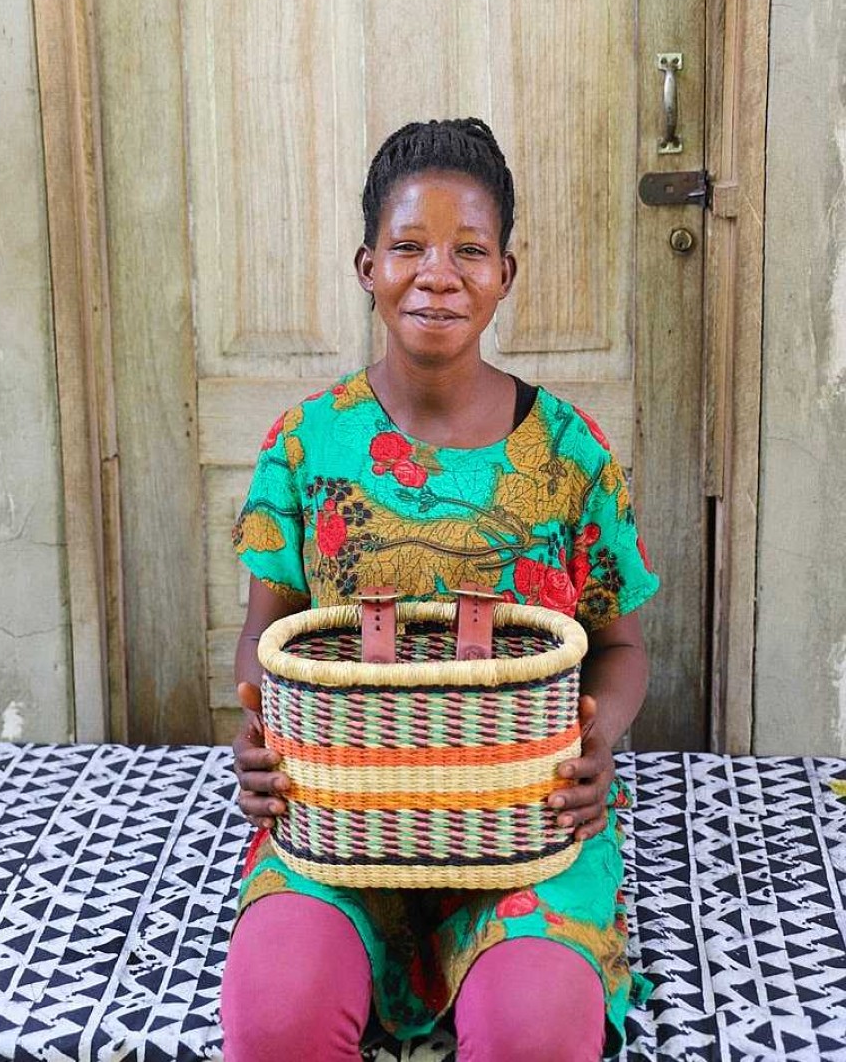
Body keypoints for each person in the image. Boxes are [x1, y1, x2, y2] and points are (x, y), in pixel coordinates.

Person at [221, 118, 659, 1061]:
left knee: (533, 1036)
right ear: (366, 264)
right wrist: (255, 739)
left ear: (507, 271)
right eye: (408, 246)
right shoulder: (305, 445)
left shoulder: (570, 453)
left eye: (470, 250)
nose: (438, 273)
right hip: (339, 826)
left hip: (526, 825)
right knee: (276, 1023)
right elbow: (265, 642)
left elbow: (620, 648)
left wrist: (597, 740)